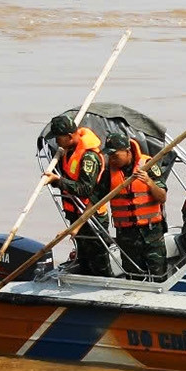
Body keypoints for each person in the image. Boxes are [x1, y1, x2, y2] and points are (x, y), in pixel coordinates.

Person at [48, 112, 112, 276]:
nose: (56, 142)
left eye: (58, 138)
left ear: (69, 136)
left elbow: (85, 189)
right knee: (83, 259)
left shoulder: (89, 157)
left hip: (92, 216)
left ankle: (104, 286)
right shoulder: (68, 151)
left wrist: (58, 181)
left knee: (98, 262)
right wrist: (54, 179)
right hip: (75, 214)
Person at [103, 131, 168, 279]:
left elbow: (162, 197)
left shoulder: (148, 165)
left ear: (127, 152)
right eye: (109, 155)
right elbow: (95, 199)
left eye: (115, 155)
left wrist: (149, 182)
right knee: (133, 276)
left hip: (151, 233)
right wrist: (75, 228)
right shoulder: (109, 172)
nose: (111, 159)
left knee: (159, 275)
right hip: (126, 236)